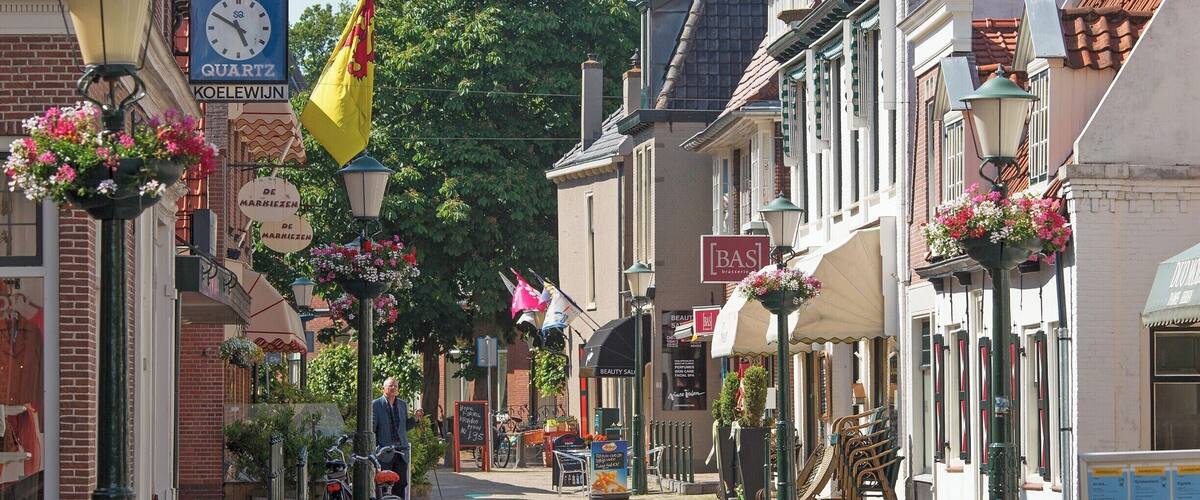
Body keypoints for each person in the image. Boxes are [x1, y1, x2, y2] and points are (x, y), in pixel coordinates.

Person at [372, 377, 422, 492]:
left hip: (401, 452)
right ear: (383, 388)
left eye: (395, 386)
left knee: (401, 484)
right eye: (390, 386)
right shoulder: (376, 405)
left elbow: (404, 428)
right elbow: (372, 429)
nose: (393, 388)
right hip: (384, 452)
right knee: (383, 486)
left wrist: (415, 419)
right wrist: (377, 448)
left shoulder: (402, 404)